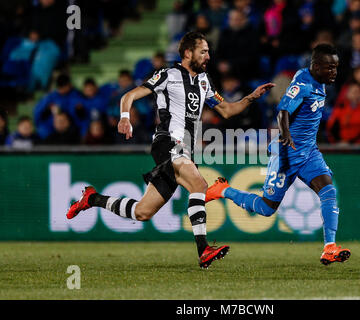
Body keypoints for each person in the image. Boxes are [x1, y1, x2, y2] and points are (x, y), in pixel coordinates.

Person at [66, 31, 274, 269]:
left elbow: (226, 110)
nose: (208, 56)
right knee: (199, 186)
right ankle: (203, 249)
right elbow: (129, 95)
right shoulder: (168, 75)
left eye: (208, 51)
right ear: (188, 53)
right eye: (203, 51)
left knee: (142, 212)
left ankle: (91, 199)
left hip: (184, 150)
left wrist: (251, 97)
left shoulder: (204, 81)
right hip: (168, 143)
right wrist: (125, 118)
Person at [206, 44, 351, 265]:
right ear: (316, 66)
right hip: (287, 154)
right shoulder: (303, 85)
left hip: (309, 153)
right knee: (266, 209)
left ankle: (329, 247)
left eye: (336, 67)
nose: (334, 72)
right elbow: (283, 110)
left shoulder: (317, 80)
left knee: (328, 191)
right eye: (329, 67)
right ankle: (222, 189)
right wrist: (285, 135)